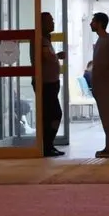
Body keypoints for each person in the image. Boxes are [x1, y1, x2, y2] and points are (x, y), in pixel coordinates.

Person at [89, 12, 109, 158]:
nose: (91, 24)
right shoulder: (100, 41)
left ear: (100, 23)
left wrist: (107, 81)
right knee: (105, 116)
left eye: (93, 21)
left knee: (107, 116)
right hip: (99, 85)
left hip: (105, 85)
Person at [37, 12, 65, 157]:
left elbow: (48, 57)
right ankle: (47, 145)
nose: (53, 23)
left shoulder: (46, 39)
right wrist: (56, 56)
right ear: (43, 23)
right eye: (51, 20)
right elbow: (45, 57)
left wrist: (57, 56)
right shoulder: (41, 40)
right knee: (54, 114)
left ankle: (49, 145)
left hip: (52, 83)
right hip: (46, 84)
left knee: (51, 115)